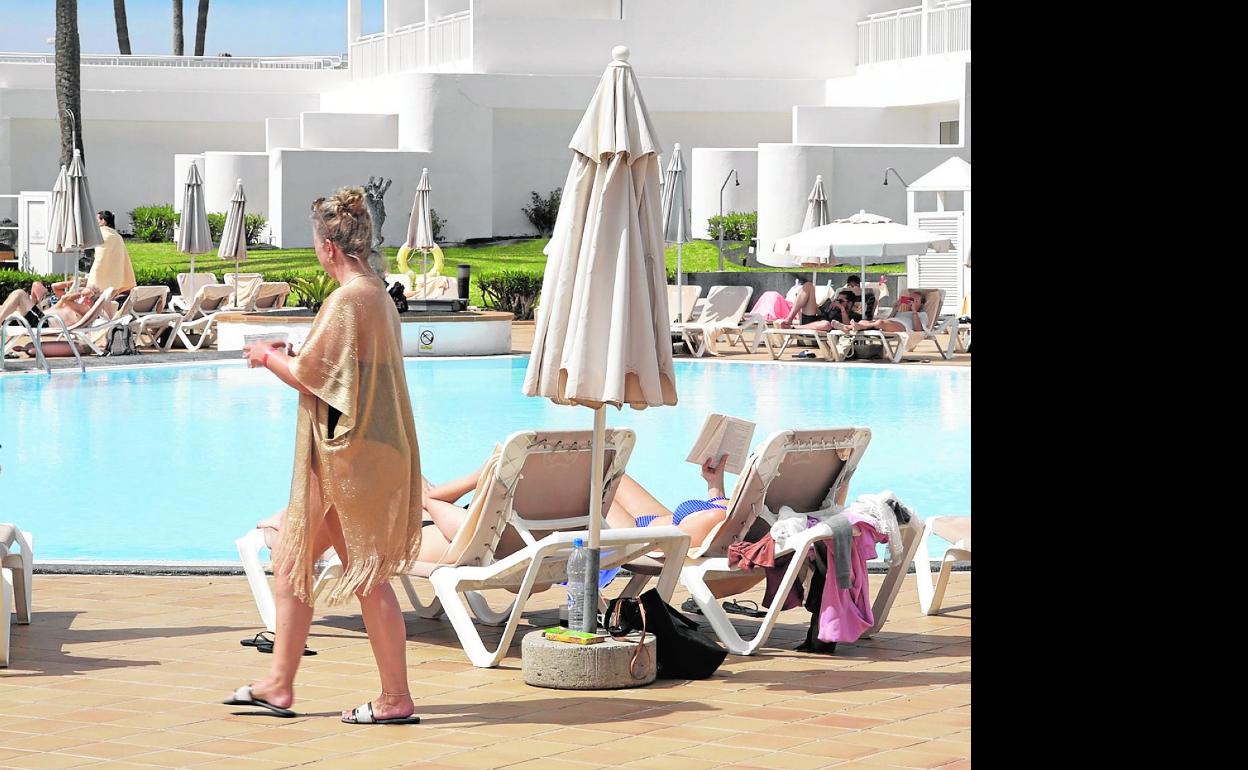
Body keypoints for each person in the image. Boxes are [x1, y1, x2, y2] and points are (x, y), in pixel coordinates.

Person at [224, 187, 424, 725]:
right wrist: (295, 355)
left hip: (346, 457)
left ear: (330, 247)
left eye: (316, 242)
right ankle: (278, 684)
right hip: (362, 449)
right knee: (292, 560)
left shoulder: (346, 300)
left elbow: (313, 377)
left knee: (365, 575)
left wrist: (266, 356)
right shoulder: (376, 294)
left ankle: (394, 697)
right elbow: (344, 372)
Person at [46, 211, 136, 301]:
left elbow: (100, 259)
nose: (94, 223)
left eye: (96, 220)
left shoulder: (101, 235)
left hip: (100, 281)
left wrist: (92, 279)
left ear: (103, 221)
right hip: (116, 279)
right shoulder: (117, 236)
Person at [850, 290, 927, 334]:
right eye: (911, 299)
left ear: (922, 304)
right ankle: (854, 326)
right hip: (889, 323)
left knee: (880, 323)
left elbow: (919, 330)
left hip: (903, 327)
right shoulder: (901, 312)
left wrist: (914, 311)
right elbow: (889, 319)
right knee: (863, 321)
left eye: (915, 300)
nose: (912, 302)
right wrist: (895, 309)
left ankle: (855, 327)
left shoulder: (922, 315)